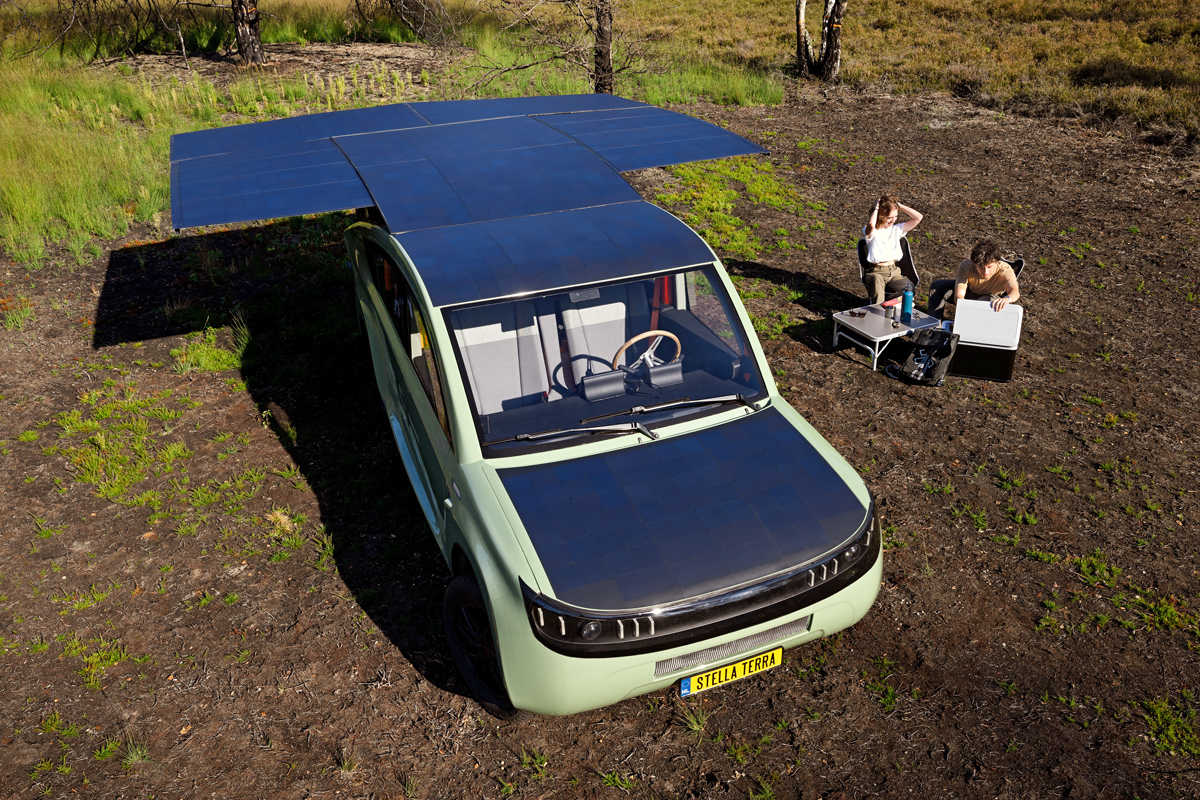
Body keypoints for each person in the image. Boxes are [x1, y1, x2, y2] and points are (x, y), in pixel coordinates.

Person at [927, 239, 1020, 320]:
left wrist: (1007, 298)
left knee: (986, 302)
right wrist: (963, 306)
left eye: (989, 267)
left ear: (997, 262)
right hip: (969, 292)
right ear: (974, 263)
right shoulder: (967, 266)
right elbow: (959, 294)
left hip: (989, 298)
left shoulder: (1005, 270)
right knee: (937, 286)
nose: (985, 272)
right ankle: (934, 325)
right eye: (981, 267)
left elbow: (1015, 292)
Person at [862, 195, 923, 305]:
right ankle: (877, 312)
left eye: (895, 216)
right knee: (877, 281)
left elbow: (918, 218)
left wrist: (898, 205)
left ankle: (885, 306)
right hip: (877, 272)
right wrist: (876, 208)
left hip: (894, 272)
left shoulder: (897, 229)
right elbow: (871, 224)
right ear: (881, 215)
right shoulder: (873, 231)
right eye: (889, 217)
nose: (893, 220)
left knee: (908, 288)